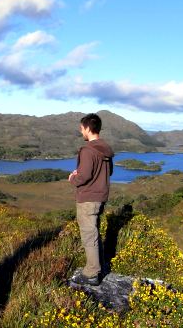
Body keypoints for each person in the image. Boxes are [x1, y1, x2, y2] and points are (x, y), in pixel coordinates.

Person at [68, 113, 114, 286]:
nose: (81, 132)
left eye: (81, 129)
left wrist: (73, 178)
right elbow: (108, 173)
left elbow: (84, 176)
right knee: (94, 232)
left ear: (87, 128)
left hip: (88, 198)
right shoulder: (106, 150)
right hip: (100, 197)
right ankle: (99, 265)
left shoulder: (88, 150)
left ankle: (92, 274)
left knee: (89, 235)